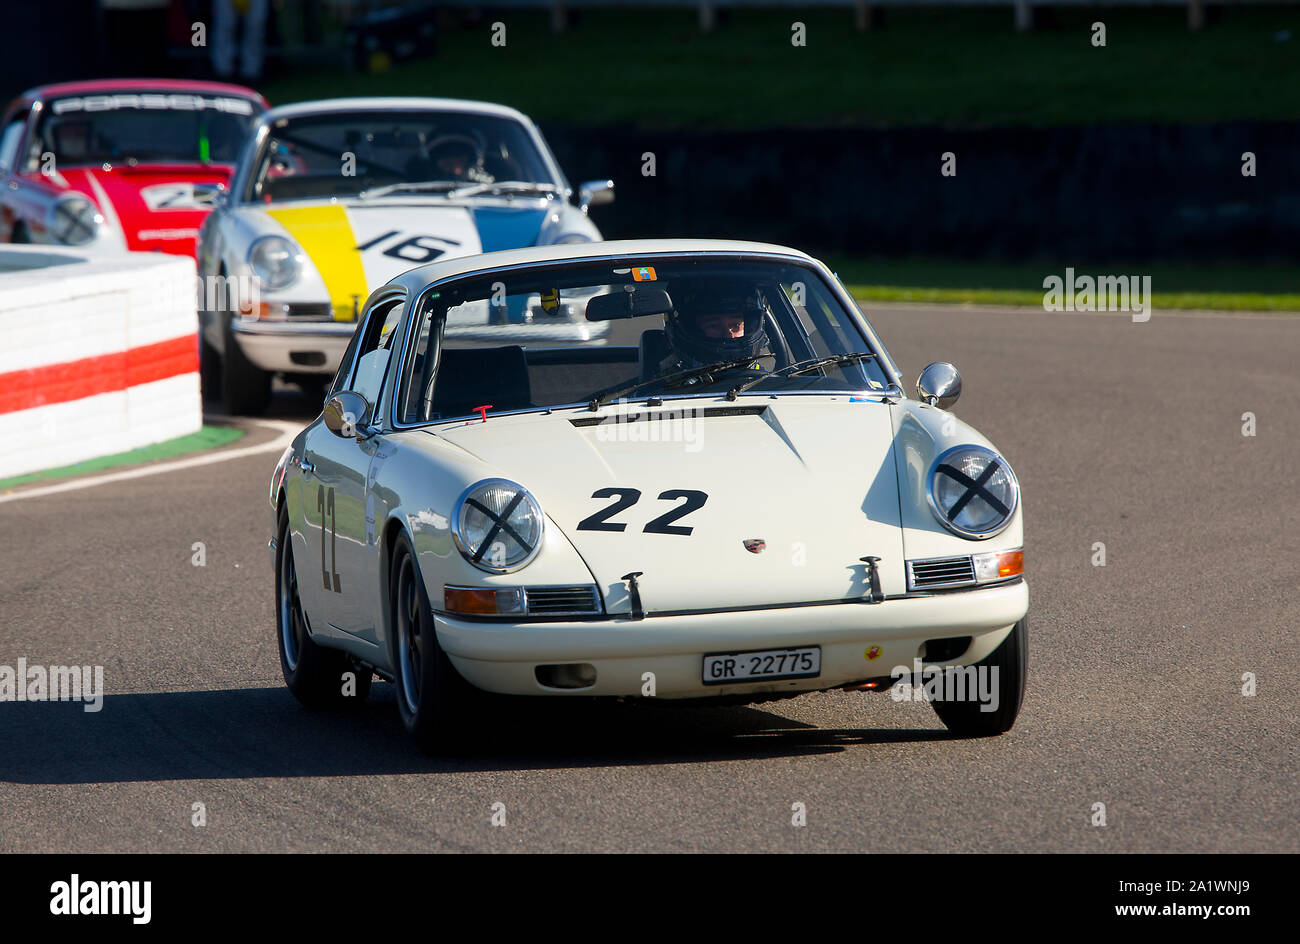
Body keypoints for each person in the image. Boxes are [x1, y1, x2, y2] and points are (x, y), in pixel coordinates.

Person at [663, 280, 770, 372]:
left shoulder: (770, 383)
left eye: (736, 325)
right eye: (713, 326)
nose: (728, 335)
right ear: (690, 329)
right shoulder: (663, 389)